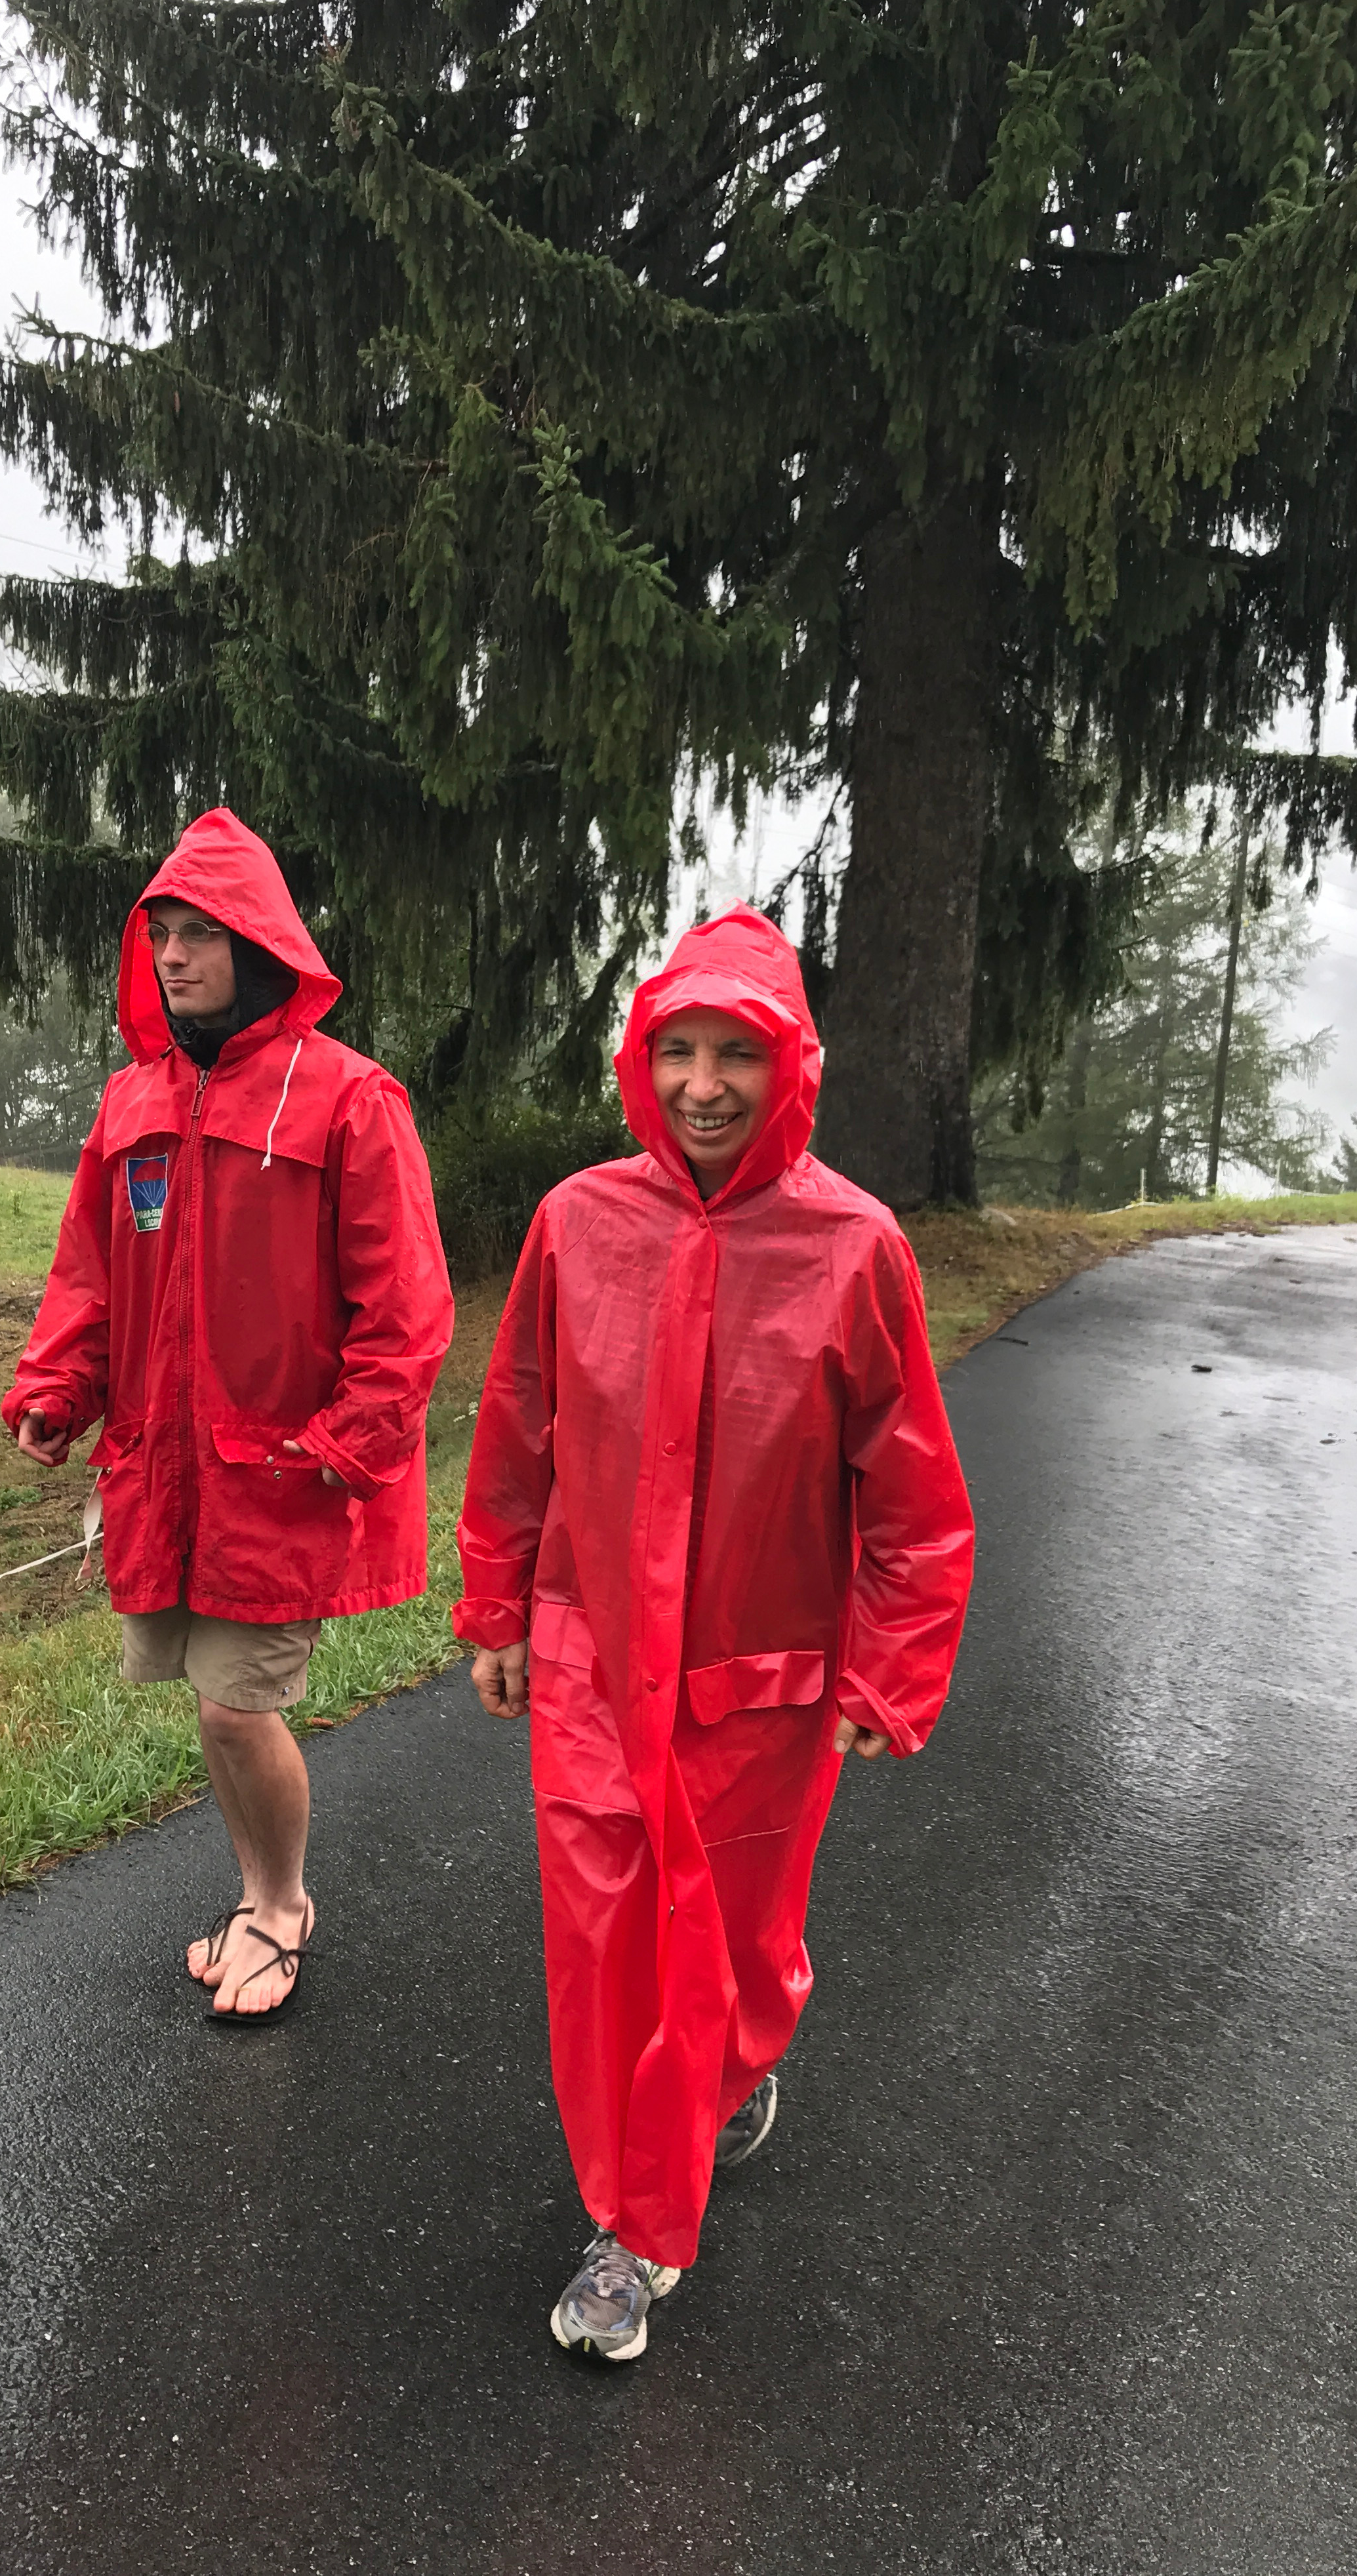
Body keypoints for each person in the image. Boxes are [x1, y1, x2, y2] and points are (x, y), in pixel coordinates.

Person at [453, 904, 973, 2356]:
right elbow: (520, 1425)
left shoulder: (855, 1248)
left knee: (734, 1946)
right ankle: (637, 2230)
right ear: (641, 1061)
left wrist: (890, 1670)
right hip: (591, 1661)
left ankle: (732, 2068)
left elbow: (913, 1491)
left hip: (763, 1684)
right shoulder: (577, 1223)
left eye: (735, 1053)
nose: (702, 1085)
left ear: (789, 1065)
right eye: (676, 1051)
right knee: (614, 1948)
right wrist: (497, 1605)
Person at [5, 807, 453, 2023]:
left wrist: (351, 1441)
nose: (174, 957)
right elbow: (90, 1275)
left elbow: (407, 1306)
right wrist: (58, 1387)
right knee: (212, 1708)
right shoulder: (130, 1103)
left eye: (201, 933)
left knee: (235, 1706)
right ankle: (259, 1891)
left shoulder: (350, 1098)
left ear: (259, 944)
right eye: (161, 934)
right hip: (164, 1469)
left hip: (283, 1473)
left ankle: (281, 1908)